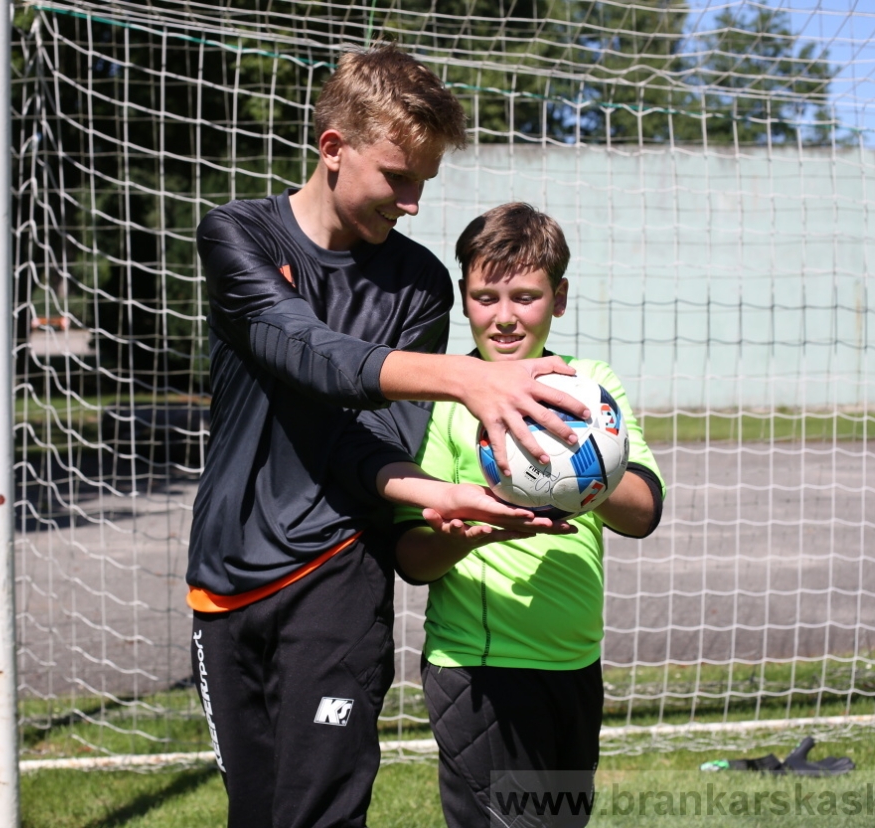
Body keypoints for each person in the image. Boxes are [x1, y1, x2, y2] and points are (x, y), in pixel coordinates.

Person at [188, 45, 587, 828]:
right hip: (225, 576)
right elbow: (306, 351)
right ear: (333, 150)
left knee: (322, 817)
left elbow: (360, 444)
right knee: (256, 815)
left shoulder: (419, 285)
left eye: (424, 184)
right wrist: (465, 377)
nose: (411, 202)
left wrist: (440, 496)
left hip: (340, 571)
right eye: (397, 176)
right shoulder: (237, 237)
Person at [393, 203, 666, 827]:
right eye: (486, 297)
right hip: (483, 670)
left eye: (525, 295)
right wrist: (474, 533)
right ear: (465, 300)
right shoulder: (442, 397)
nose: (506, 316)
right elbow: (412, 556)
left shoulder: (591, 386)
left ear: (559, 298)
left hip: (574, 664)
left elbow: (644, 509)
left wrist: (585, 480)